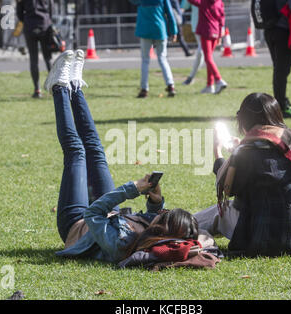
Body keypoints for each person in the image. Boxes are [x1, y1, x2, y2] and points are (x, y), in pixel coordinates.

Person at [44, 50, 220, 268]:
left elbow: (93, 214)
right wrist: (156, 203)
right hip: (111, 215)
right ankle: (75, 86)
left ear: (160, 229)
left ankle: (59, 88)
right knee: (96, 151)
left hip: (77, 224)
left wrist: (132, 188)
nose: (159, 215)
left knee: (76, 152)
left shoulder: (121, 243)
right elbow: (151, 220)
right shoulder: (155, 235)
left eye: (162, 216)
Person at [195, 93, 291, 257]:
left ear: (244, 120)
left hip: (266, 238)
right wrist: (237, 154)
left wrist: (218, 152)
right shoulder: (290, 141)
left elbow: (228, 188)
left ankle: (180, 224)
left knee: (218, 212)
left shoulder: (247, 151)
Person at [262, 0, 291, 118]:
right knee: (282, 71)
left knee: (279, 69)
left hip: (270, 29)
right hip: (284, 31)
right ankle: (280, 106)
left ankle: (281, 102)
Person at [129, 0, 178, 98]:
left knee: (145, 60)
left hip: (145, 30)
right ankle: (170, 85)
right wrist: (174, 31)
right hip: (160, 30)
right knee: (162, 59)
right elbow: (169, 13)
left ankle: (144, 89)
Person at [188, 0, 227, 94]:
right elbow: (222, 18)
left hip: (205, 31)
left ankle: (219, 80)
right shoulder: (219, 2)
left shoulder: (203, 2)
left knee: (208, 58)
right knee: (210, 59)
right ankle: (210, 85)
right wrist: (220, 33)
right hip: (215, 31)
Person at [16, 0, 54, 99]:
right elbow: (51, 9)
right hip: (44, 25)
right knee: (48, 58)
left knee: (34, 60)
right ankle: (55, 86)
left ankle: (37, 90)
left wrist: (26, 20)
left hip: (30, 26)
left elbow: (19, 12)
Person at [181, 0, 205, 85]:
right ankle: (192, 77)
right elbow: (184, 6)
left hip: (209, 27)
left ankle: (192, 77)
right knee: (202, 53)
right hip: (197, 27)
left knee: (203, 54)